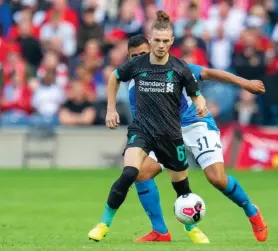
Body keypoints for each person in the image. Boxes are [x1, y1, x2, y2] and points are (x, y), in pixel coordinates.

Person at [123, 35, 268, 243]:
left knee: (216, 178)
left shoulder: (176, 67)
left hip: (196, 125)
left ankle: (251, 210)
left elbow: (208, 73)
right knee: (141, 172)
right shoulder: (133, 87)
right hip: (165, 131)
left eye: (142, 54)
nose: (138, 59)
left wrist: (245, 83)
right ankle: (160, 231)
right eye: (133, 57)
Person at [87, 11, 208, 242]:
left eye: (165, 41)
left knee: (182, 188)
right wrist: (111, 109)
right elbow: (114, 77)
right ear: (150, 39)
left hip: (171, 135)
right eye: (157, 40)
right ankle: (103, 223)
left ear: (172, 41)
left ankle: (192, 228)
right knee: (130, 173)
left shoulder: (180, 68)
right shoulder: (137, 64)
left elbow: (196, 95)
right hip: (142, 131)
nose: (161, 45)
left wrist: (201, 105)